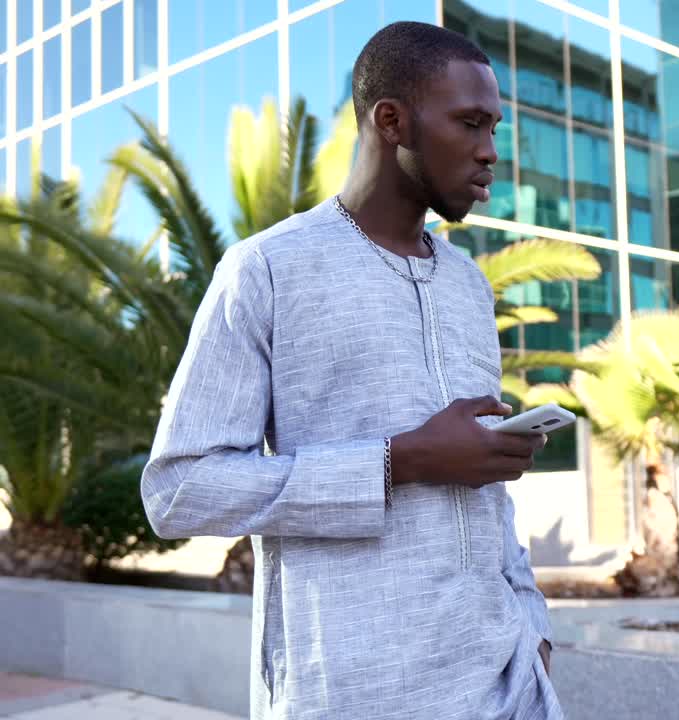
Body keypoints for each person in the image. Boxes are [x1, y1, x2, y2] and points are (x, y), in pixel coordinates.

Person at [141, 22, 562, 720]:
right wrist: (400, 461)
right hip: (351, 694)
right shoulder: (268, 269)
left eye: (494, 128)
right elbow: (179, 490)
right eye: (470, 123)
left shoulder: (469, 285)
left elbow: (487, 496)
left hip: (507, 689)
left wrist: (533, 628)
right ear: (391, 122)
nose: (491, 150)